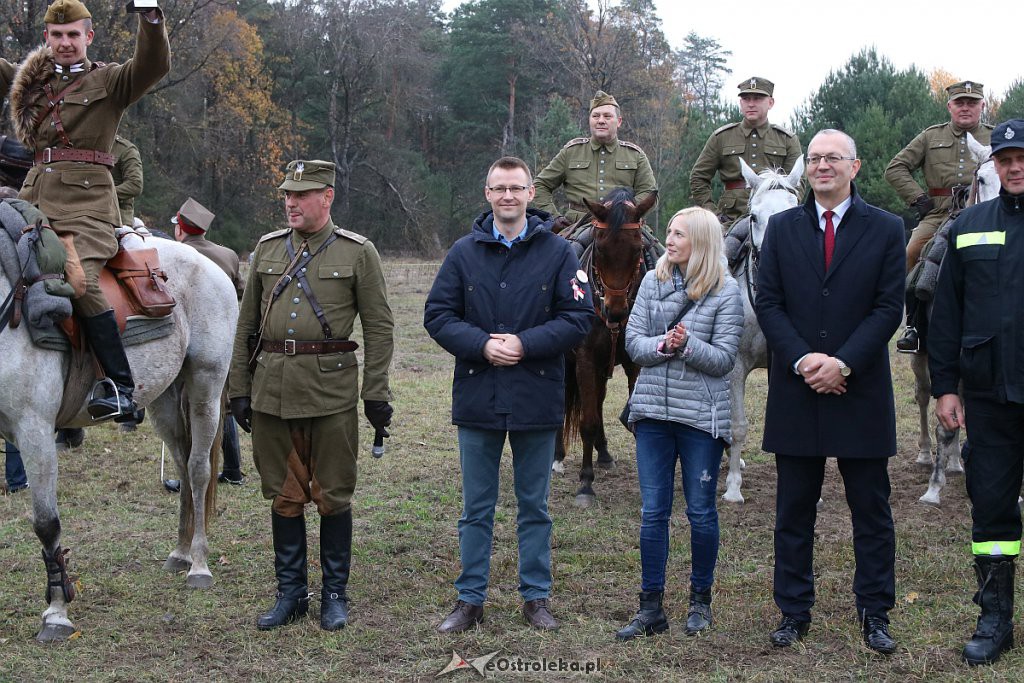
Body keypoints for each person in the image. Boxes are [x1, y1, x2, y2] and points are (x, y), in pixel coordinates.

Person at [424, 156, 592, 633]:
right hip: (478, 396)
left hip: (536, 397)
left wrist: (525, 343)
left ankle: (535, 598)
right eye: (499, 189)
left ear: (531, 194)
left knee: (534, 506)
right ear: (487, 193)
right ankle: (469, 599)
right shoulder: (462, 253)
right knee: (475, 508)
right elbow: (437, 315)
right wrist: (480, 344)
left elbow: (580, 317)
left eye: (516, 188)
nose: (508, 197)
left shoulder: (560, 254)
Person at [754, 129, 905, 653]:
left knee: (871, 509)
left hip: (858, 389)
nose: (822, 166)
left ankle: (875, 613)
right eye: (814, 158)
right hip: (797, 389)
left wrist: (843, 362)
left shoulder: (887, 229)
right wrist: (802, 360)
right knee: (794, 510)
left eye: (832, 159)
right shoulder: (780, 228)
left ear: (854, 167)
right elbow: (768, 302)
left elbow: (888, 307)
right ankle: (793, 611)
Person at [228, 159, 394, 631]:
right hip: (272, 390)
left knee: (333, 495)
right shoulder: (266, 249)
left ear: (327, 197)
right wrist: (238, 388)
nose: (290, 202)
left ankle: (334, 595)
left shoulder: (358, 252)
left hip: (331, 392)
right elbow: (245, 325)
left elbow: (379, 327)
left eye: (301, 195)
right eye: (286, 194)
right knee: (283, 495)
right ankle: (291, 594)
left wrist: (375, 392)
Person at [0, 0, 170, 421]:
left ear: (88, 37)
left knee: (79, 280)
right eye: (57, 36)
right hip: (33, 202)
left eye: (73, 34)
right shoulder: (32, 86)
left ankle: (120, 386)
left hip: (88, 209)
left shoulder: (110, 81)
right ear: (47, 39)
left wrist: (149, 17)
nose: (65, 42)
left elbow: (152, 66)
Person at [615, 207, 743, 641]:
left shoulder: (727, 292)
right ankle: (650, 607)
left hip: (699, 420)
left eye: (679, 234)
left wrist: (688, 346)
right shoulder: (653, 281)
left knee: (701, 512)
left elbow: (725, 359)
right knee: (653, 513)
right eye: (669, 232)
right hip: (651, 415)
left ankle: (700, 603)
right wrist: (663, 345)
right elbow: (633, 344)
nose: (669, 240)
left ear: (702, 241)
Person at [929, 118, 1024, 666]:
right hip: (988, 396)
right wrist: (946, 387)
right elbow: (947, 316)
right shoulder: (968, 225)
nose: (1014, 167)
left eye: (1022, 159)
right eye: (1005, 159)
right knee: (991, 513)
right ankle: (995, 621)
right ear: (994, 165)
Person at [885, 80, 993, 352]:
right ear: (950, 106)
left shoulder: (997, 136)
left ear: (982, 105)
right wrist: (919, 199)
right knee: (911, 253)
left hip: (986, 213)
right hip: (940, 214)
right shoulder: (930, 137)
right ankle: (913, 326)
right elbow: (895, 168)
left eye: (972, 103)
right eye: (960, 103)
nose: (966, 108)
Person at [167, 197, 245, 489]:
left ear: (181, 229)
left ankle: (190, 473)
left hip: (184, 338)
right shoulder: (228, 255)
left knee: (189, 406)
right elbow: (240, 292)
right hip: (222, 337)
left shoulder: (174, 256)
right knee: (219, 404)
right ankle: (234, 469)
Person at [533, 90, 657, 232]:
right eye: (595, 116)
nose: (601, 120)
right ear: (590, 120)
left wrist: (626, 209)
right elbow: (540, 185)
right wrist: (553, 217)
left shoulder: (635, 154)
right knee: (554, 254)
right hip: (578, 226)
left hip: (625, 227)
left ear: (619, 121)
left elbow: (649, 192)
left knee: (660, 253)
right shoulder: (571, 151)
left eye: (607, 116)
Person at [690, 77, 803, 226]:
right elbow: (698, 177)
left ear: (770, 102)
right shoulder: (722, 137)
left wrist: (786, 210)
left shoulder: (787, 139)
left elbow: (798, 183)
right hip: (730, 219)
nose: (751, 104)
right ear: (740, 103)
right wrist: (713, 214)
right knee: (721, 249)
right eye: (746, 99)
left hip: (774, 220)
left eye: (757, 99)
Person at [111, 134, 142, 227]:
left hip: (118, 219)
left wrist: (103, 193)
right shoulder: (86, 147)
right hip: (86, 213)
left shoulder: (125, 149)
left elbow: (135, 185)